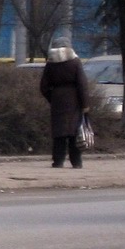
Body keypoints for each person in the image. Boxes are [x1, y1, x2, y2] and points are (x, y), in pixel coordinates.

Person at [39, 36, 91, 168]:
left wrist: (52, 97)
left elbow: (43, 86)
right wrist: (85, 104)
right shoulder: (75, 62)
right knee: (74, 132)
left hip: (57, 100)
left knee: (59, 133)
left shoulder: (50, 64)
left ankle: (58, 161)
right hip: (74, 100)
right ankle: (76, 162)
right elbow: (82, 84)